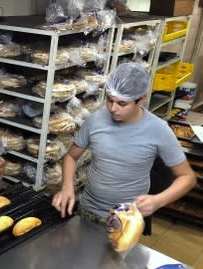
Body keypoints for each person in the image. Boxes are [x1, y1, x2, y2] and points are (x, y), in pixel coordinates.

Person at [52, 63, 196, 225]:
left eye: (122, 104)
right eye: (109, 100)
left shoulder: (158, 130)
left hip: (126, 219)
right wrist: (67, 187)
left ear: (142, 98)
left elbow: (187, 177)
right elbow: (71, 156)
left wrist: (158, 200)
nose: (113, 108)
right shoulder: (96, 120)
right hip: (88, 210)